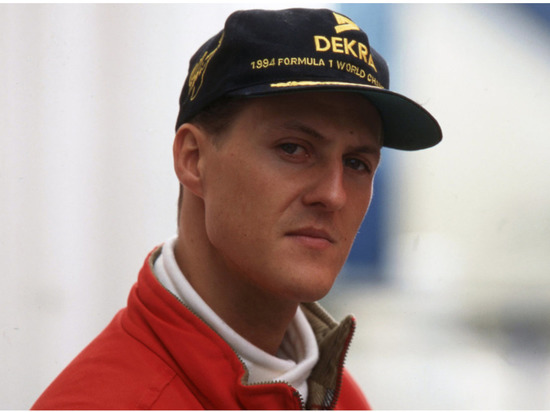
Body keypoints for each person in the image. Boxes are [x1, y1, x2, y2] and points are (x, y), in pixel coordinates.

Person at [32, 7, 441, 410]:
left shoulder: (338, 397)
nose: (333, 195)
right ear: (193, 159)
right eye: (293, 148)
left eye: (356, 163)